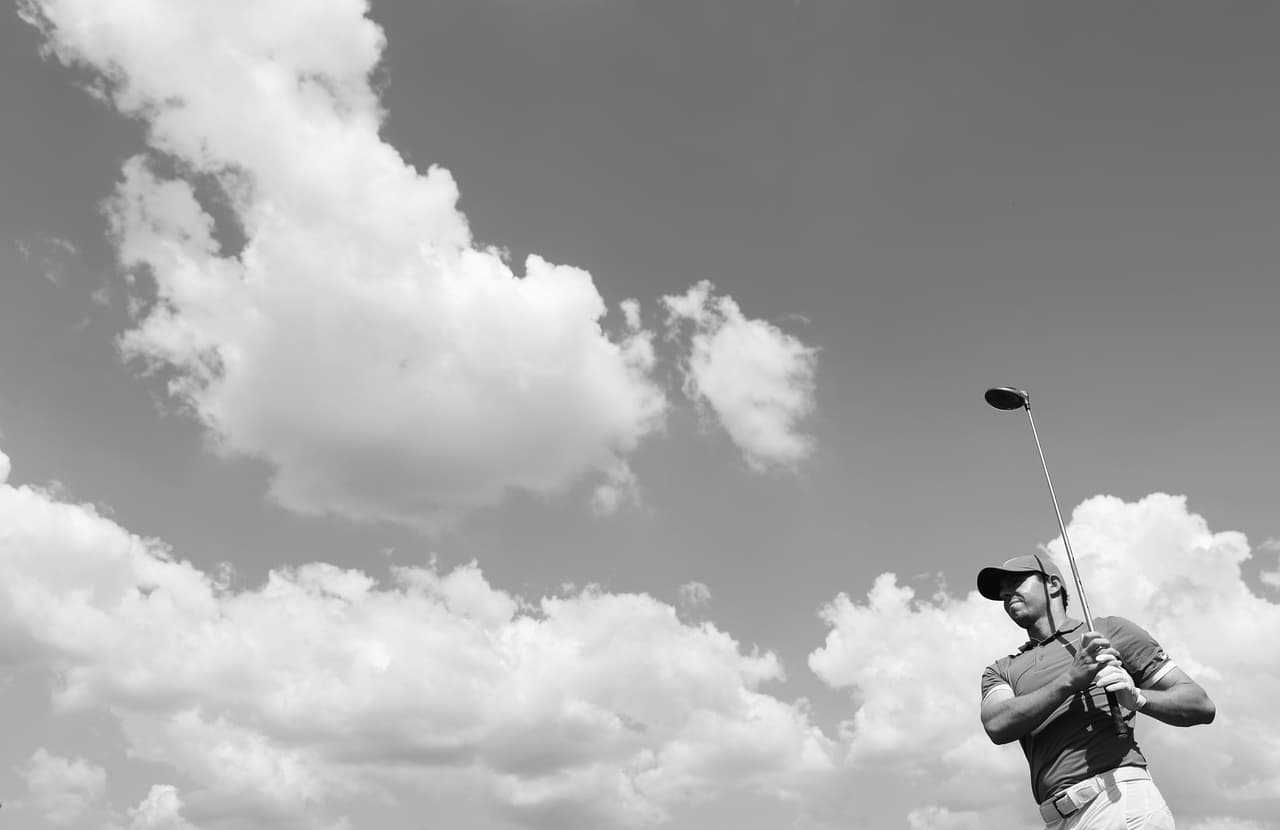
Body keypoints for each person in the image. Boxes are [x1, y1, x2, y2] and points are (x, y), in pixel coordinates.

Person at [976, 553, 1215, 828]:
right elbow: (996, 724)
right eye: (1002, 592)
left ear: (1053, 584)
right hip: (1058, 818)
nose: (1006, 593)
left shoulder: (1106, 631)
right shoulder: (1001, 669)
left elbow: (1200, 705)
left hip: (1117, 798)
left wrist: (1137, 697)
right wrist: (1070, 680)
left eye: (1016, 582)